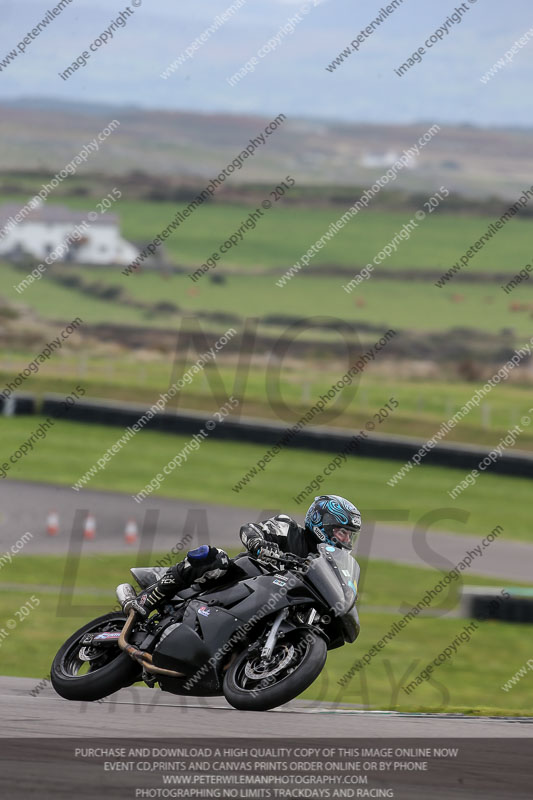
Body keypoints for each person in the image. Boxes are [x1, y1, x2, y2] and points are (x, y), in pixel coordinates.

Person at [124, 494, 361, 618]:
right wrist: (259, 544)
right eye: (342, 533)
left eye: (350, 536)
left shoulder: (327, 562)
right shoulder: (288, 528)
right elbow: (250, 530)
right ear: (322, 523)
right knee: (212, 557)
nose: (346, 541)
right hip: (241, 577)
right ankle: (147, 599)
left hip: (275, 600)